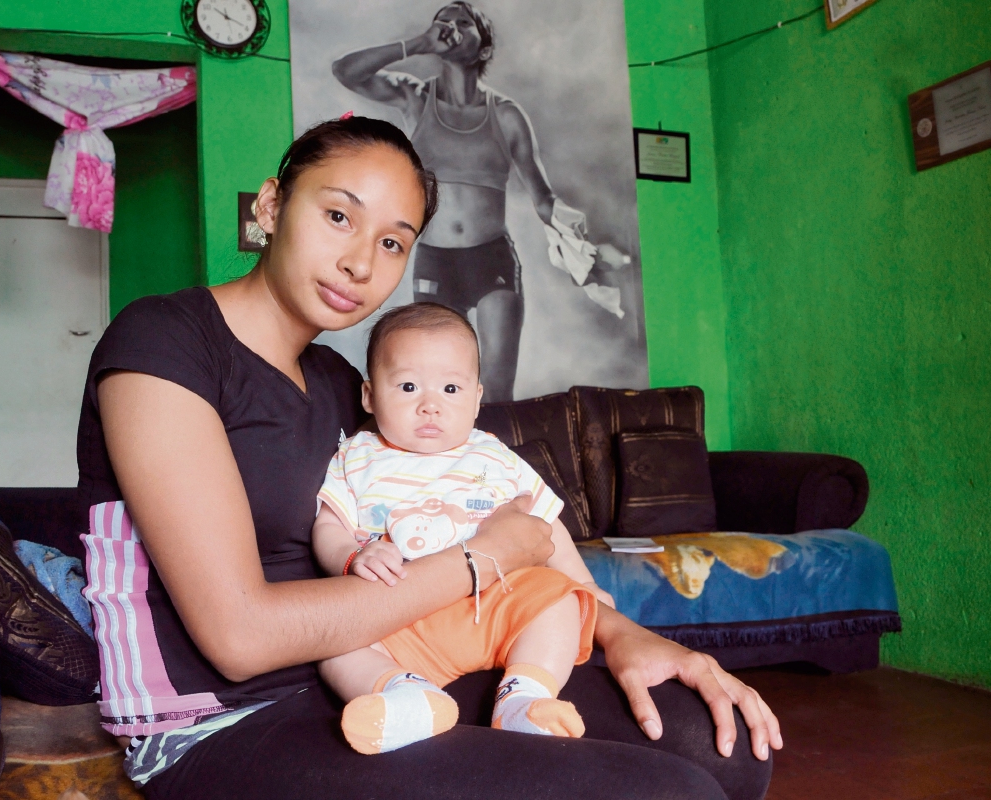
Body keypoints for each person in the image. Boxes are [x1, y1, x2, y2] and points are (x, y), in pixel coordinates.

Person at [77, 115, 780, 800]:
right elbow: (238, 636)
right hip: (222, 721)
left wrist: (623, 634)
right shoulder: (164, 342)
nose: (360, 262)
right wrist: (486, 558)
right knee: (670, 791)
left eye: (392, 243)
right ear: (271, 203)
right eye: (338, 217)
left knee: (719, 746)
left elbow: (431, 497)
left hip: (395, 663)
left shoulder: (337, 383)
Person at [313, 302, 616, 754]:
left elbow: (545, 525)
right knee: (331, 641)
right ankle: (407, 694)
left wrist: (585, 583)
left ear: (476, 398)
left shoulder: (493, 455)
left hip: (496, 605)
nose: (430, 405)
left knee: (558, 599)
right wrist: (353, 555)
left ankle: (524, 698)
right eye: (409, 386)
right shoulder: (357, 456)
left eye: (450, 388)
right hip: (396, 616)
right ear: (370, 397)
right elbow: (329, 525)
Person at [332, 1, 631, 402]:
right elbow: (346, 71)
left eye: (462, 22)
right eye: (441, 21)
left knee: (494, 389)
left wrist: (580, 245)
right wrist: (418, 43)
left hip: (491, 259)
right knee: (435, 385)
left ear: (483, 48)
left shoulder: (506, 115)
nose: (449, 27)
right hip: (436, 258)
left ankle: (492, 465)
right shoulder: (415, 98)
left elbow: (544, 199)